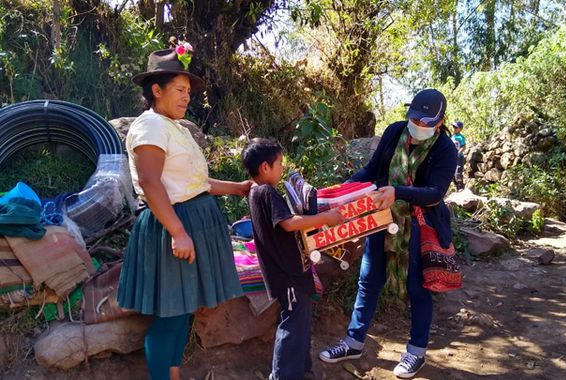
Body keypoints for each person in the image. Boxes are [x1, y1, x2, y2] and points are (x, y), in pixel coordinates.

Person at [117, 46, 251, 380]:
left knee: (184, 308)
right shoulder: (150, 127)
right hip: (170, 227)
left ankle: (173, 374)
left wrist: (236, 187)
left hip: (190, 221)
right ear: (156, 90)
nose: (186, 97)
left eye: (188, 92)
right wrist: (178, 231)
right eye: (179, 90)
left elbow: (193, 182)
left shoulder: (174, 127)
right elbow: (150, 181)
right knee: (171, 314)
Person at [318, 89, 458, 379]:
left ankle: (416, 352)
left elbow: (434, 193)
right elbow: (371, 171)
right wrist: (343, 189)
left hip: (419, 224)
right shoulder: (395, 132)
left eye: (424, 121)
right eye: (414, 118)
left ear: (439, 120)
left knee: (419, 289)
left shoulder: (445, 149)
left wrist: (398, 193)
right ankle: (353, 342)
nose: (417, 124)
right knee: (369, 280)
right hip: (381, 219)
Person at [241, 138, 344, 380]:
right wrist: (326, 217)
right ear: (265, 167)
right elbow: (288, 223)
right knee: (291, 324)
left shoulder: (256, 191)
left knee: (301, 321)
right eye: (279, 164)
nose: (281, 169)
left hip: (293, 271)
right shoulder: (266, 192)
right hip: (287, 275)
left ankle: (300, 370)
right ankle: (281, 375)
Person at [451, 121, 467, 190]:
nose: (454, 128)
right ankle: (457, 187)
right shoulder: (452, 137)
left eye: (456, 127)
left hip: (459, 157)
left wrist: (458, 153)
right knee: (452, 173)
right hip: (451, 158)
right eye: (453, 127)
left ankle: (460, 187)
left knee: (458, 172)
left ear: (460, 129)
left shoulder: (461, 137)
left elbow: (463, 146)